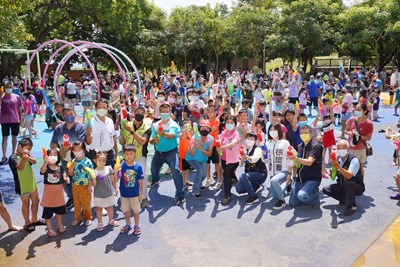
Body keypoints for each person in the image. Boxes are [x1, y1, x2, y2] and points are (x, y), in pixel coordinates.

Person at [149, 102, 185, 205]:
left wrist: (163, 133)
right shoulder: (155, 125)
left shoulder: (174, 124)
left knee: (176, 171)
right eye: (163, 112)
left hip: (171, 153)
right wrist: (153, 140)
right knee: (153, 168)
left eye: (167, 112)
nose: (165, 113)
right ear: (159, 113)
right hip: (158, 152)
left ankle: (180, 195)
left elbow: (171, 135)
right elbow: (151, 139)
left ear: (170, 112)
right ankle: (155, 180)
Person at [50, 107, 86, 209]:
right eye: (66, 114)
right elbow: (53, 143)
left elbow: (81, 142)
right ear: (62, 115)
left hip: (78, 160)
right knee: (66, 180)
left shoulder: (80, 127)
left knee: (79, 179)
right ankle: (71, 198)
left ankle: (82, 200)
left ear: (75, 114)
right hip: (64, 159)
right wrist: (59, 151)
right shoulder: (58, 129)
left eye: (71, 113)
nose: (69, 116)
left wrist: (70, 147)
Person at [9, 138, 45, 231]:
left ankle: (34, 220)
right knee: (26, 204)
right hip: (22, 185)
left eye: (30, 149)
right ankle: (27, 223)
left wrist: (28, 157)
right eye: (27, 148)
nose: (28, 151)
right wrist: (24, 159)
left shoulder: (26, 155)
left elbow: (34, 162)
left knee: (36, 201)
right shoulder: (13, 157)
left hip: (32, 183)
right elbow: (20, 168)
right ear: (20, 146)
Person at [120, 106, 151, 207]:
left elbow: (142, 141)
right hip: (128, 156)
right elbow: (121, 142)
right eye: (137, 112)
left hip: (140, 155)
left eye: (142, 113)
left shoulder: (147, 128)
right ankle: (131, 197)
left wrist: (131, 131)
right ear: (133, 113)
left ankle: (144, 197)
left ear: (145, 115)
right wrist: (122, 133)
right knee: (129, 177)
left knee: (142, 177)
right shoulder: (127, 125)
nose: (139, 114)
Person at [322, 140, 364, 216]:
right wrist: (332, 173)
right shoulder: (338, 159)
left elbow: (349, 176)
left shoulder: (354, 160)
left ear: (348, 149)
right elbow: (333, 177)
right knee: (326, 189)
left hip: (356, 186)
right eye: (339, 148)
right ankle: (345, 199)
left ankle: (352, 206)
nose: (341, 150)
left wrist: (338, 166)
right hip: (342, 185)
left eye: (343, 148)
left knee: (348, 183)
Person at [288, 125, 323, 207]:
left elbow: (309, 162)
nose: (303, 134)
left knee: (302, 196)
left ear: (311, 134)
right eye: (301, 133)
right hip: (300, 179)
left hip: (312, 178)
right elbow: (298, 164)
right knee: (293, 203)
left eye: (306, 133)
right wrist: (293, 161)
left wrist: (295, 158)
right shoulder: (300, 146)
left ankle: (315, 198)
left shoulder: (316, 146)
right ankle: (306, 193)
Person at [39, 148, 69, 237]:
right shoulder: (46, 167)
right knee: (48, 214)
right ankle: (49, 229)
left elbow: (64, 176)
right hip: (48, 196)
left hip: (59, 196)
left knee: (59, 212)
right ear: (46, 157)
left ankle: (60, 225)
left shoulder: (60, 168)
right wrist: (45, 162)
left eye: (55, 155)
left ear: (58, 157)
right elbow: (42, 171)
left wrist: (66, 179)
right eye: (50, 155)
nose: (53, 157)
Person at [117, 144, 144, 235]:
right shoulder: (121, 166)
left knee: (136, 211)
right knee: (126, 210)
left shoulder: (138, 167)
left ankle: (137, 225)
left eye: (131, 154)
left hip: (135, 194)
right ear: (124, 155)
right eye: (127, 154)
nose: (129, 156)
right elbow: (117, 179)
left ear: (135, 154)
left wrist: (141, 192)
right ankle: (128, 224)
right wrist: (116, 171)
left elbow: (140, 180)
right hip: (124, 194)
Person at [235, 133, 268, 204]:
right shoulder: (245, 150)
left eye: (252, 139)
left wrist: (246, 157)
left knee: (242, 176)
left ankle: (254, 197)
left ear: (255, 141)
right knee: (238, 189)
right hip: (251, 175)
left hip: (260, 174)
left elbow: (254, 159)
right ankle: (256, 186)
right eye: (248, 139)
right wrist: (242, 159)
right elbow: (241, 164)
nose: (249, 140)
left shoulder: (258, 149)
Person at [67, 141, 94, 226]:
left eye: (79, 149)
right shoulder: (73, 161)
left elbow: (91, 174)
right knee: (77, 203)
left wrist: (90, 185)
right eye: (75, 150)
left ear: (83, 150)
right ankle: (77, 218)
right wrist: (70, 171)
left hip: (85, 185)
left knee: (86, 203)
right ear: (73, 152)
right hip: (75, 185)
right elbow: (71, 174)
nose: (77, 151)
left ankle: (88, 217)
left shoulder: (88, 161)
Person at [267, 124, 294, 209]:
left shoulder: (285, 142)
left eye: (274, 130)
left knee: (274, 181)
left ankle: (282, 201)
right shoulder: (268, 143)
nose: (272, 132)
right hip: (272, 172)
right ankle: (287, 183)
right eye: (270, 130)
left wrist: (289, 173)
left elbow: (290, 158)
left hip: (284, 170)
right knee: (275, 196)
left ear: (279, 131)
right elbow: (266, 157)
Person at [86, 99, 118, 167]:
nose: (102, 109)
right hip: (95, 155)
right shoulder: (90, 122)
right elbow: (88, 142)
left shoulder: (110, 121)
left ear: (107, 109)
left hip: (109, 155)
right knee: (96, 176)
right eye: (100, 107)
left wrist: (117, 153)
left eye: (104, 108)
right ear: (95, 108)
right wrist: (88, 134)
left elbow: (113, 137)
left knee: (111, 176)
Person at [186, 119, 214, 199]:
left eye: (207, 128)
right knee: (199, 170)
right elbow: (191, 154)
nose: (204, 130)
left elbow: (210, 154)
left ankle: (197, 183)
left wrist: (202, 150)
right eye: (202, 128)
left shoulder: (211, 139)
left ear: (209, 130)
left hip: (203, 159)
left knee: (204, 175)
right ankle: (195, 190)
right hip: (192, 159)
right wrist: (194, 144)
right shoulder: (195, 137)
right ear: (199, 128)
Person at [92, 151, 119, 231]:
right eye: (99, 160)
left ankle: (111, 220)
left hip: (109, 193)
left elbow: (112, 180)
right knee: (99, 209)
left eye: (104, 160)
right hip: (99, 194)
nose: (102, 162)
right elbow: (94, 184)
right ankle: (100, 223)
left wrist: (116, 188)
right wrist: (93, 178)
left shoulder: (109, 168)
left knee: (110, 207)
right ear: (95, 161)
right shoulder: (94, 171)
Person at [217, 115, 241, 205]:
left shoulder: (236, 134)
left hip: (234, 160)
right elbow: (217, 140)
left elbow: (233, 143)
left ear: (235, 124)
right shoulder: (223, 133)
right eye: (227, 123)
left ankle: (227, 195)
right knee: (228, 172)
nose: (229, 124)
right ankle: (234, 178)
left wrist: (222, 147)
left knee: (226, 174)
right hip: (224, 158)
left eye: (231, 123)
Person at [345, 103, 373, 174]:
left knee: (360, 169)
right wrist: (350, 133)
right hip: (350, 148)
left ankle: (360, 184)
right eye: (356, 110)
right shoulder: (351, 119)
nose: (356, 111)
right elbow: (345, 130)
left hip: (360, 149)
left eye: (359, 110)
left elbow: (369, 137)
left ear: (365, 111)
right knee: (348, 168)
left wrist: (359, 136)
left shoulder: (369, 123)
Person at [0, 81, 23, 165]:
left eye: (10, 87)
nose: (8, 88)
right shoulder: (2, 96)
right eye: (7, 87)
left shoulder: (17, 97)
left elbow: (19, 108)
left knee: (14, 137)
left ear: (13, 87)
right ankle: (4, 156)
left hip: (15, 120)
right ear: (4, 87)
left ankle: (13, 153)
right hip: (4, 120)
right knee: (4, 138)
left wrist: (20, 119)